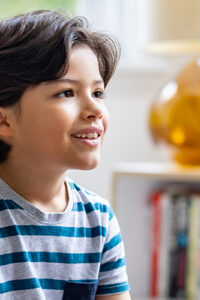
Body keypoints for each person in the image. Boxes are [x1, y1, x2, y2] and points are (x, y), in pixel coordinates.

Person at [0, 9, 131, 300]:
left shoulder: (98, 219)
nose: (95, 109)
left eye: (98, 93)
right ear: (4, 122)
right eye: (66, 93)